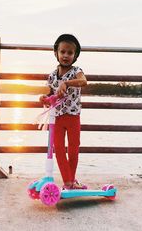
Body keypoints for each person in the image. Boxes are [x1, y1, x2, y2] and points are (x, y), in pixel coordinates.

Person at [39, 34, 88, 189]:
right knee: (58, 149)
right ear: (56, 53)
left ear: (75, 56)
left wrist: (66, 83)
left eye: (70, 53)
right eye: (63, 52)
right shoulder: (52, 75)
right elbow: (49, 93)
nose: (66, 55)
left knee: (73, 149)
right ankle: (68, 182)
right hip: (57, 118)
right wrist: (44, 98)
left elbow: (84, 82)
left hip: (73, 116)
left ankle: (71, 180)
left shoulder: (76, 71)